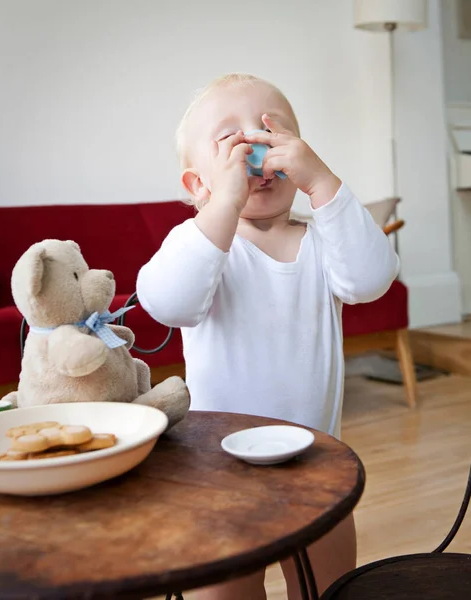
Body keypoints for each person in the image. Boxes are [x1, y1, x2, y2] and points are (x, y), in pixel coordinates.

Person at [136, 73, 399, 599]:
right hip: (219, 475)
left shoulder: (323, 241)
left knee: (329, 588)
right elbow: (167, 301)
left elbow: (372, 279)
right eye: (229, 139)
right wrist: (224, 207)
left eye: (269, 131)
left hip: (318, 466)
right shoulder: (202, 246)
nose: (253, 145)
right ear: (198, 185)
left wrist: (323, 183)